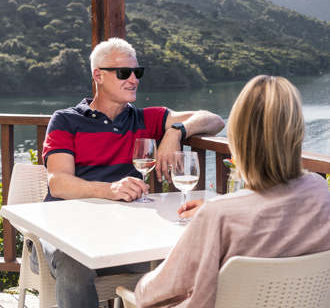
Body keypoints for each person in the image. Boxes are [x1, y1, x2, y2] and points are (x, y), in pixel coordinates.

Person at [30, 37, 225, 308]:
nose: (133, 79)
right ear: (97, 75)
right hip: (63, 235)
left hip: (119, 239)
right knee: (74, 262)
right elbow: (58, 183)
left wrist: (176, 131)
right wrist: (108, 190)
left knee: (185, 253)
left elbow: (214, 119)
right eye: (124, 73)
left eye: (138, 72)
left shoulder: (145, 118)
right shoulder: (65, 120)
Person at [135, 75, 330, 308]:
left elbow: (152, 294)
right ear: (297, 134)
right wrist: (219, 211)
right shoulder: (319, 191)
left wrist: (139, 284)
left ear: (238, 138)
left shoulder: (220, 217)